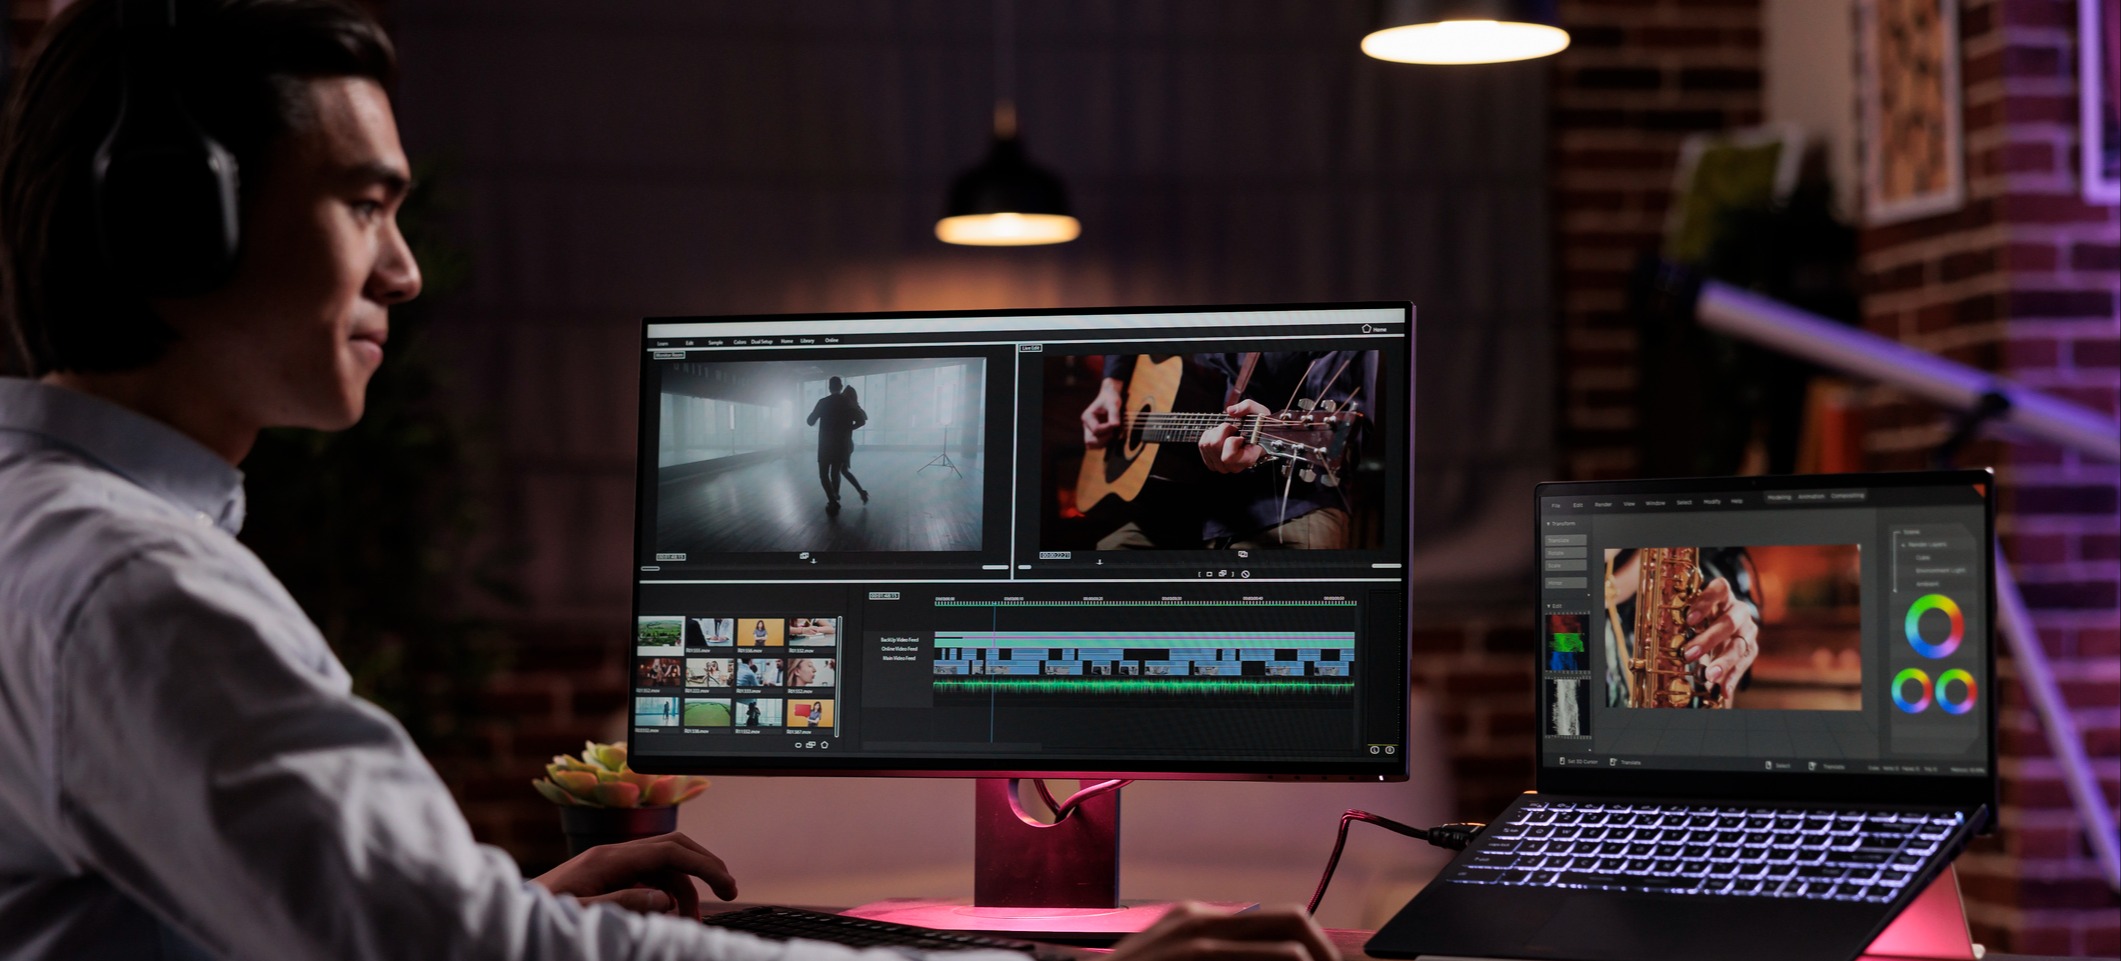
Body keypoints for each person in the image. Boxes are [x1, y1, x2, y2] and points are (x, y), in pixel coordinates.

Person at [0, 4, 1343, 960]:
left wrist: (510, 903)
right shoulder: (132, 587)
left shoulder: (50, 533)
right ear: (181, 219)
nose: (404, 271)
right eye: (365, 202)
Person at [1080, 351, 1371, 550]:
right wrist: (1111, 385)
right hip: (1180, 502)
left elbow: (1343, 437)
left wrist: (1262, 448)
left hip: (1283, 502)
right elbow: (1133, 327)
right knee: (1106, 567)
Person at [804, 375, 868, 512]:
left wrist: (816, 412)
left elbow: (810, 421)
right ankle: (835, 498)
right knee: (836, 473)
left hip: (825, 444)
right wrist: (847, 429)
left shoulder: (823, 402)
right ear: (840, 387)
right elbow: (862, 421)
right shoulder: (848, 403)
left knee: (824, 474)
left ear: (829, 387)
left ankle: (833, 500)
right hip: (842, 444)